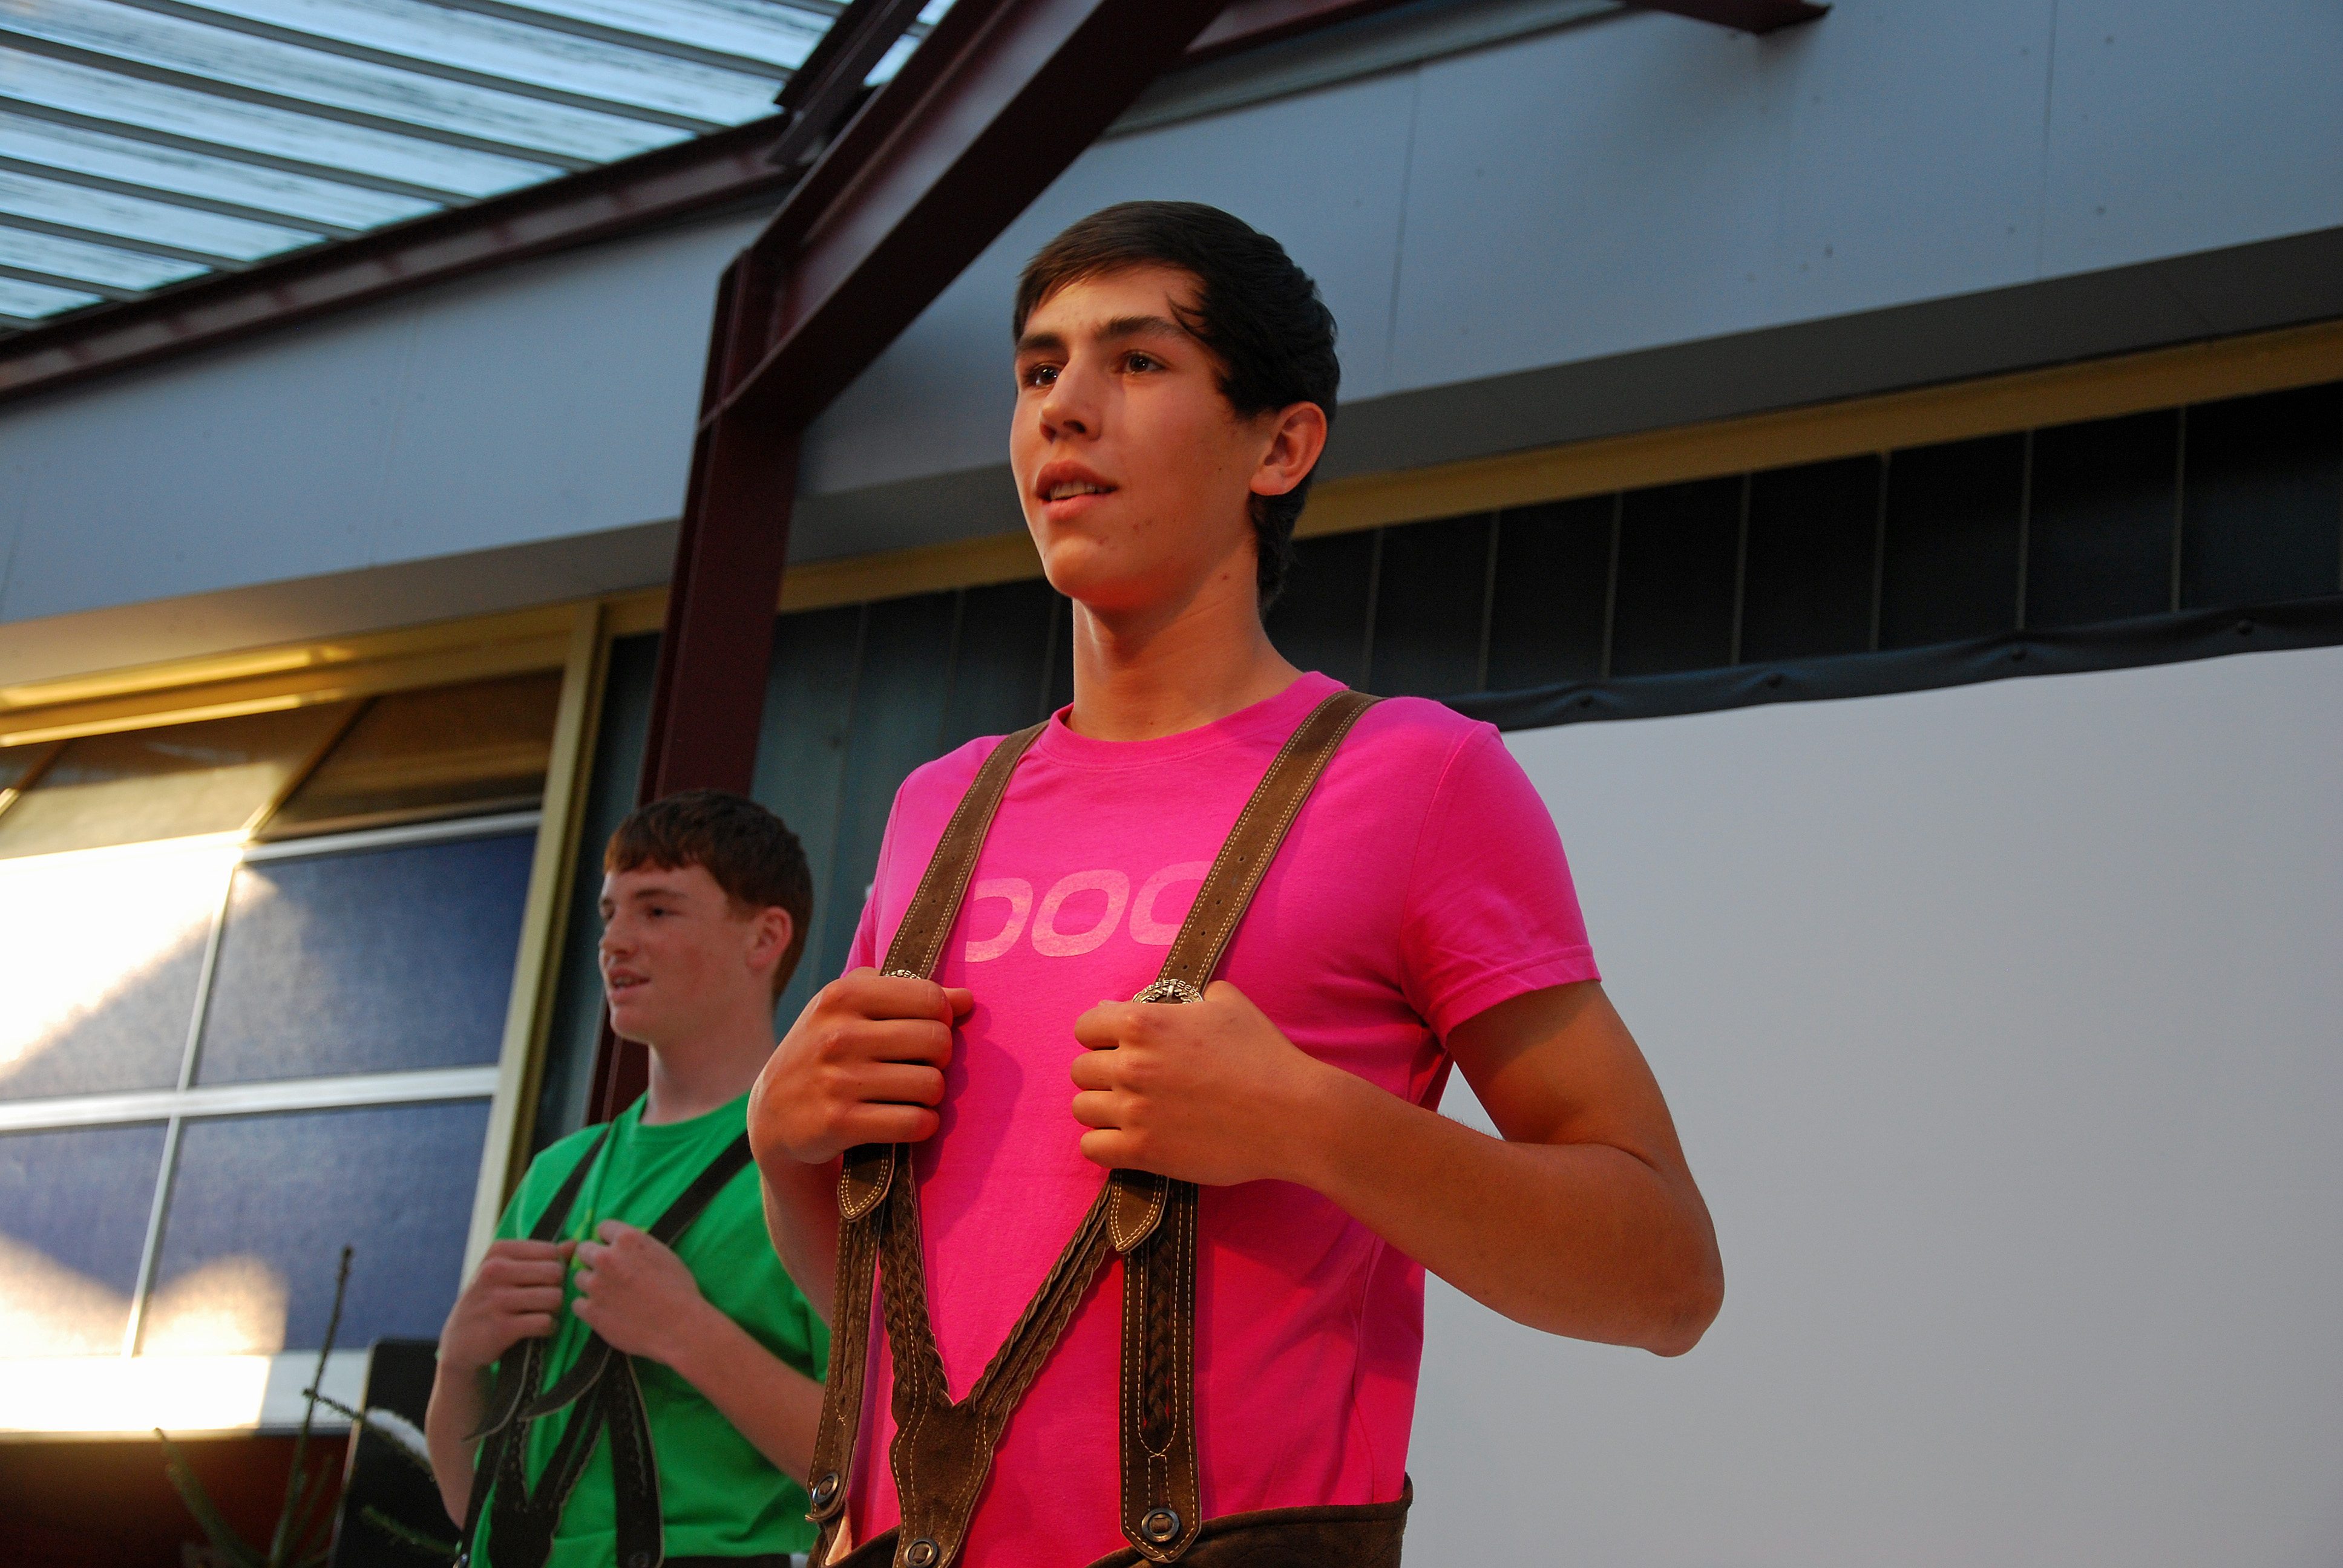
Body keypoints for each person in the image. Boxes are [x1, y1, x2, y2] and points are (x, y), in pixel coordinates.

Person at [750, 202, 1723, 1564]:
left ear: (1281, 445)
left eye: (1137, 361)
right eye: (1038, 369)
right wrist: (779, 1142)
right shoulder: (937, 806)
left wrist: (1311, 1123)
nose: (1062, 407)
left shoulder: (1417, 779)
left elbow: (1666, 1278)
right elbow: (892, 1311)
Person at [428, 789, 830, 1567]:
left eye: (657, 910)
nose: (614, 941)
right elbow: (466, 1501)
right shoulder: (555, 1175)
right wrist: (458, 1360)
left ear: (764, 937)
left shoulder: (813, 1165)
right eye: (610, 913)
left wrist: (687, 1333)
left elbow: (873, 1466)